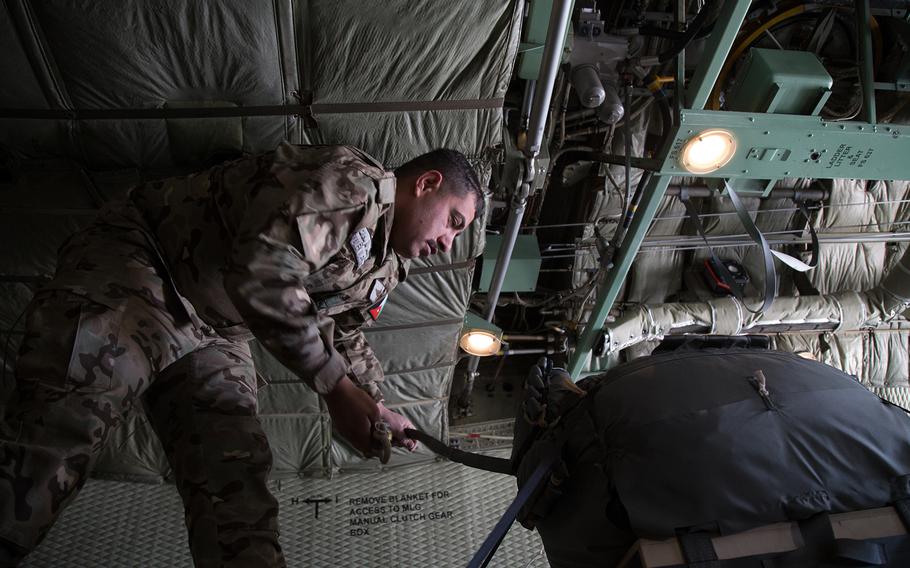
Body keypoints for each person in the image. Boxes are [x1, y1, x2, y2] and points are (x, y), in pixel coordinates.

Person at [0, 142, 483, 567]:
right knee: (52, 448)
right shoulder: (353, 183)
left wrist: (375, 405)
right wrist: (338, 390)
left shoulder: (384, 268)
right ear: (427, 183)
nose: (447, 243)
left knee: (236, 490)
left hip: (216, 328)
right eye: (453, 222)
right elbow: (264, 270)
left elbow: (341, 331)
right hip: (145, 264)